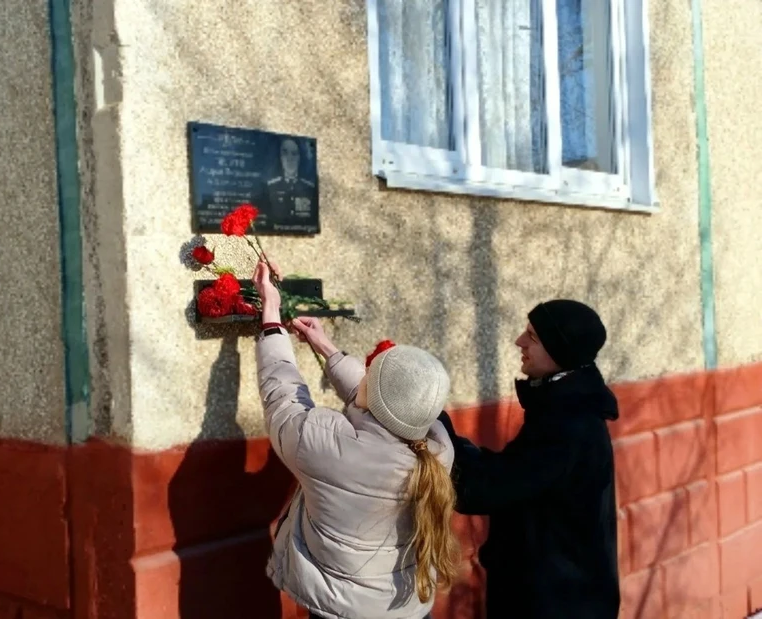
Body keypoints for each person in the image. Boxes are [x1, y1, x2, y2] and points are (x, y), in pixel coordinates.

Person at [251, 260, 458, 619]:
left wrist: (271, 318)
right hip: (409, 608)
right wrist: (327, 349)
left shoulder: (330, 447)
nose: (362, 375)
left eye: (368, 374)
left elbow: (283, 400)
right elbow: (382, 408)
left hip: (343, 610)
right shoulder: (437, 446)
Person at [439, 300, 620, 618]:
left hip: (557, 606)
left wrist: (430, 423)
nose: (519, 342)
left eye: (533, 336)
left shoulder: (568, 426)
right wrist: (449, 438)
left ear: (560, 351)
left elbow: (485, 489)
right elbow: (510, 474)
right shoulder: (564, 410)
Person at [262, 138, 316, 229]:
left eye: (294, 154)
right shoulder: (270, 187)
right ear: (280, 157)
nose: (289, 158)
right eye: (285, 153)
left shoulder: (309, 188)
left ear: (299, 158)